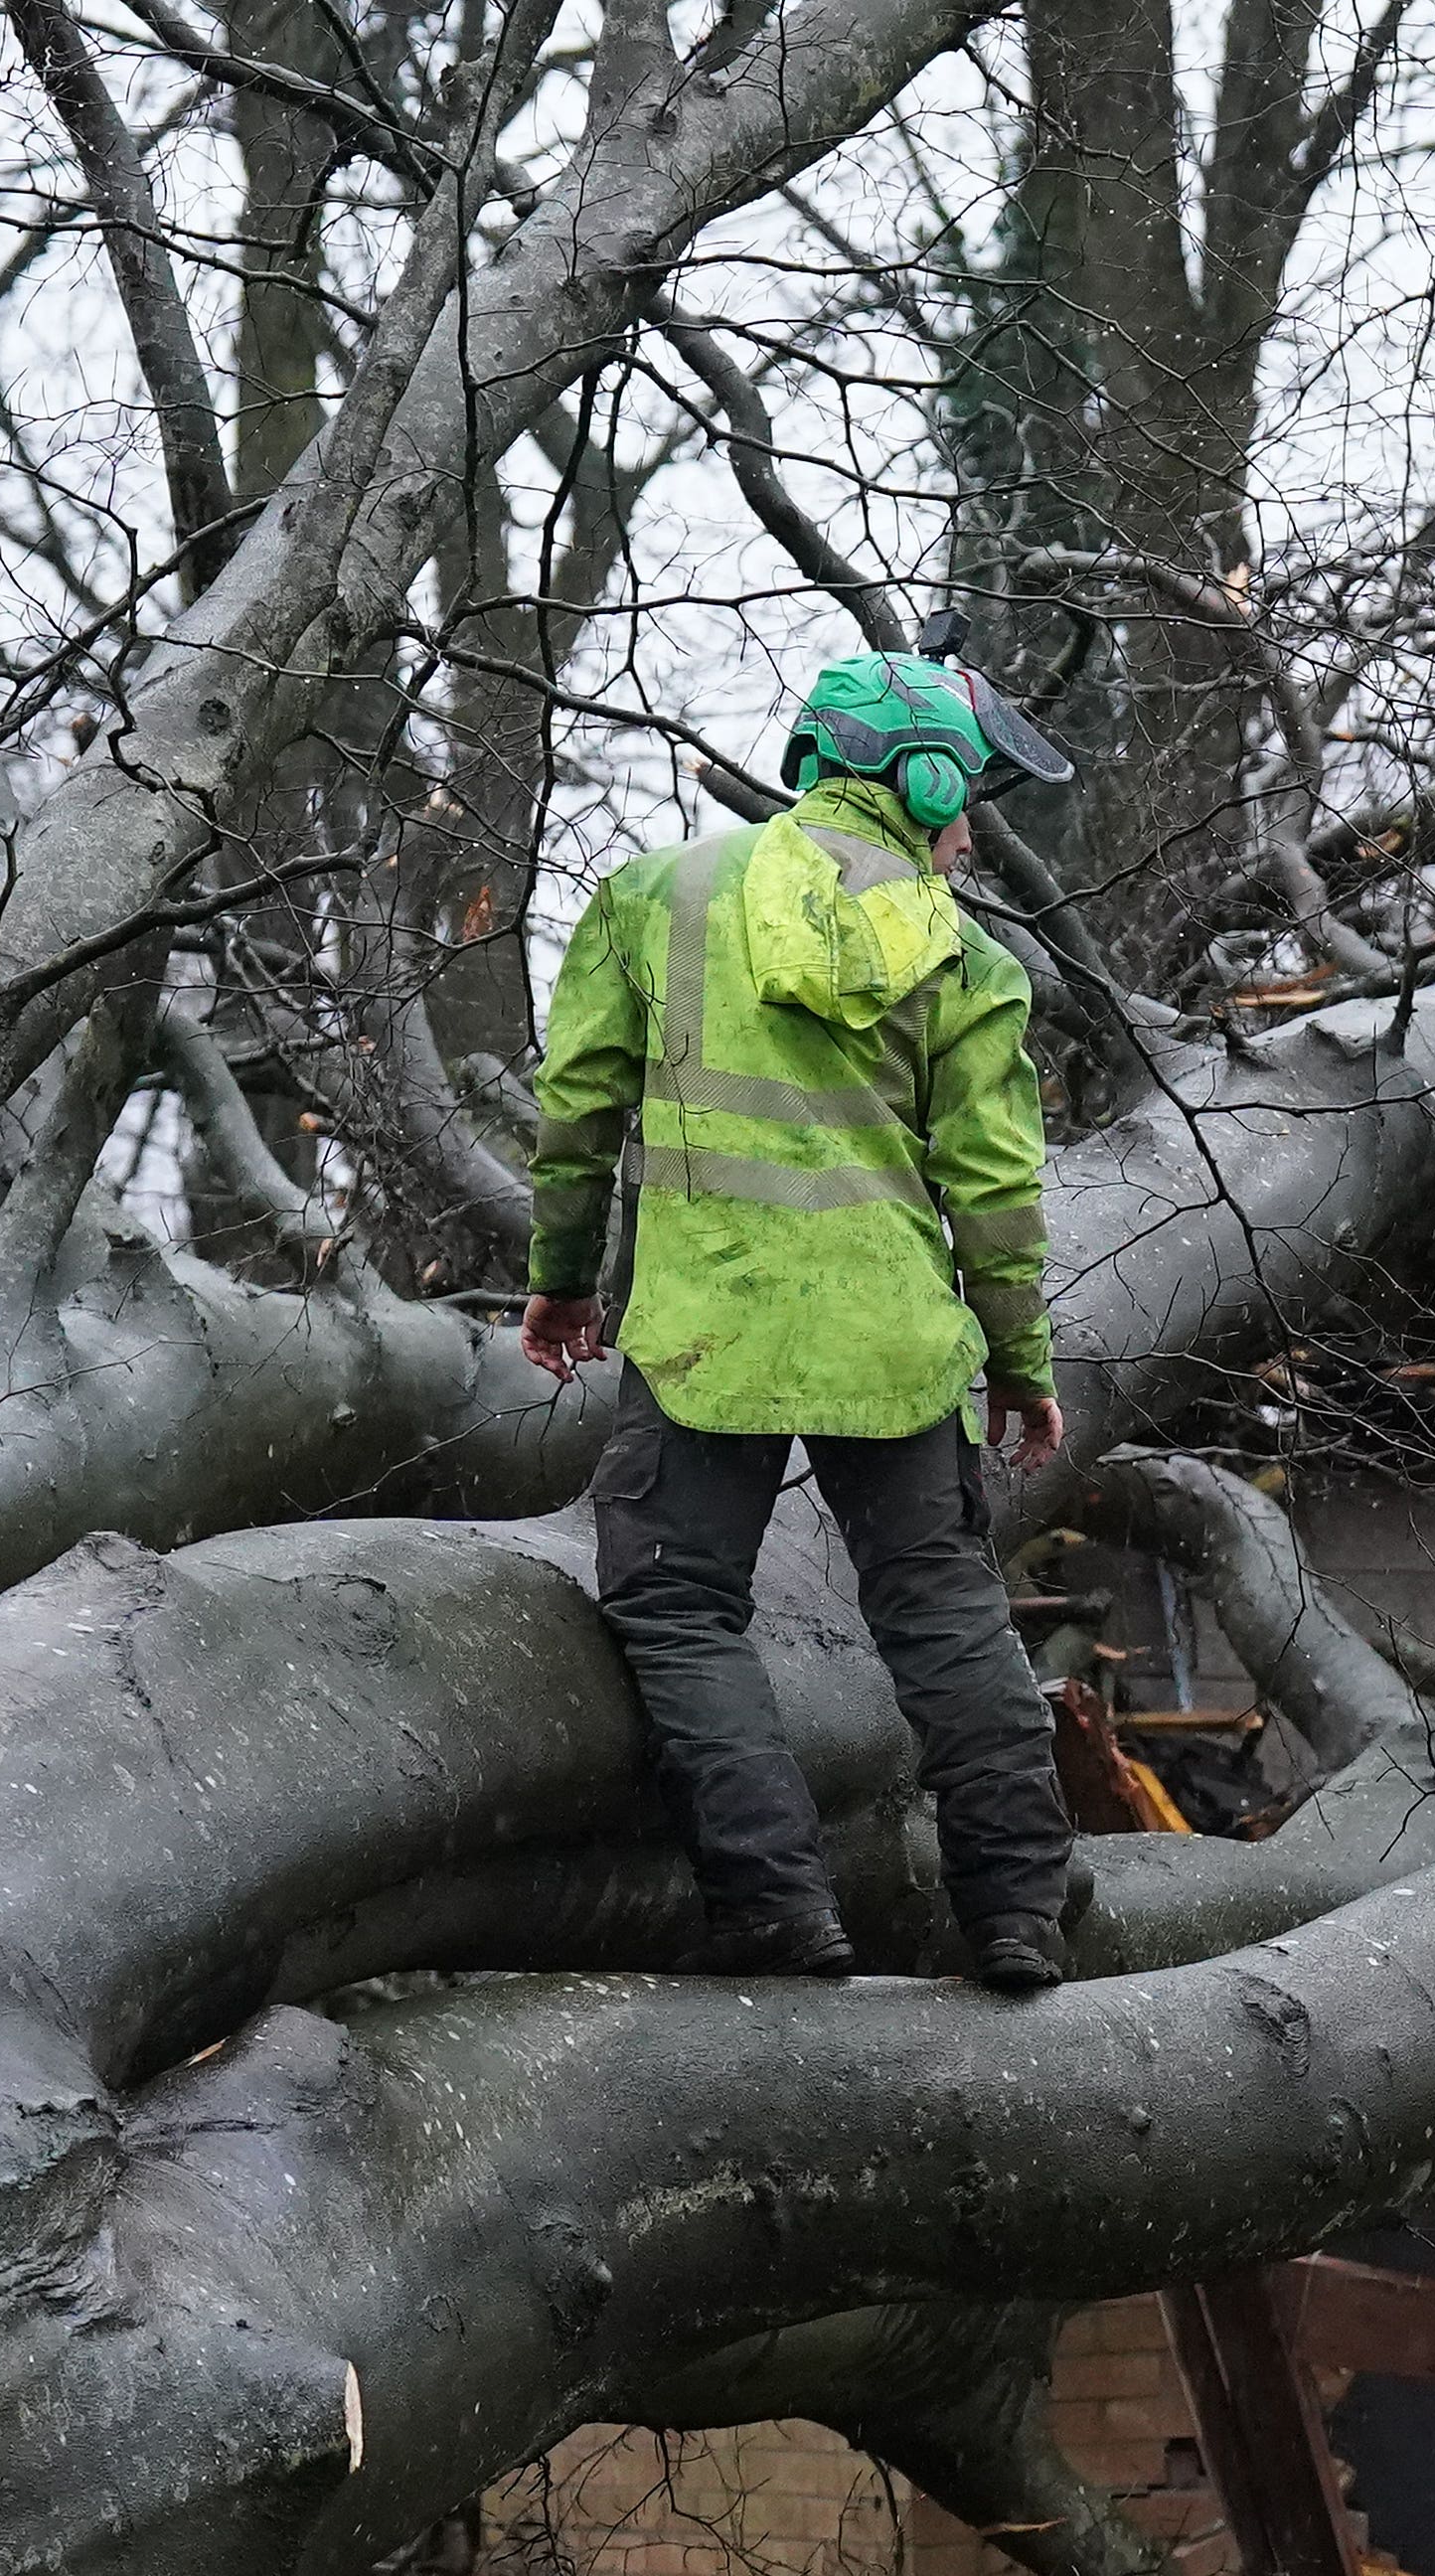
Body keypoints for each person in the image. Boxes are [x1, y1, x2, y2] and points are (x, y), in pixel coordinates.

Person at [516, 638, 1086, 1989]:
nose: (964, 828)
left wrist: (560, 1278)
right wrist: (1020, 1362)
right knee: (943, 1611)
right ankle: (1016, 1910)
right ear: (925, 776)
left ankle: (775, 1907)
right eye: (961, 794)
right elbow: (996, 1193)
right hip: (892, 1339)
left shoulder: (653, 898)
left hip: (708, 1330)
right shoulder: (967, 957)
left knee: (674, 1602)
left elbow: (579, 1106)